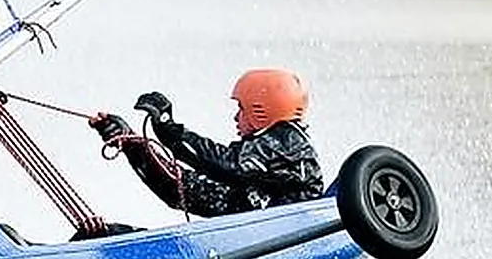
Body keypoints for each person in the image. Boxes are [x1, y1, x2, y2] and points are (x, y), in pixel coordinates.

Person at [88, 68, 324, 218]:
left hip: (289, 235)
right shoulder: (258, 175)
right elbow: (180, 190)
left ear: (261, 109)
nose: (235, 117)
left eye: (241, 108)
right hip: (260, 234)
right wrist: (131, 143)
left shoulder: (289, 141)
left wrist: (168, 128)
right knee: (106, 233)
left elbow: (225, 164)